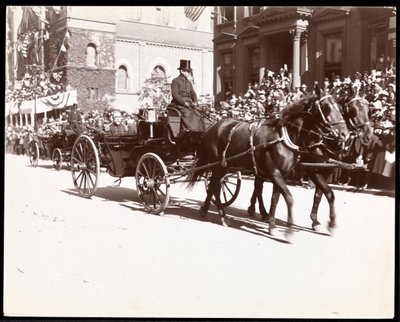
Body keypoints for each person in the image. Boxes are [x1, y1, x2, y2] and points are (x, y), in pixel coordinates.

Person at [169, 59, 204, 132]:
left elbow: (193, 94)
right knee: (188, 114)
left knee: (199, 113)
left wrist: (195, 102)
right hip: (179, 104)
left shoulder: (189, 82)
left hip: (189, 104)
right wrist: (184, 103)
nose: (188, 73)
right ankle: (189, 132)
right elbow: (175, 95)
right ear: (182, 71)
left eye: (189, 71)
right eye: (187, 71)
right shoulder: (175, 81)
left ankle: (200, 132)